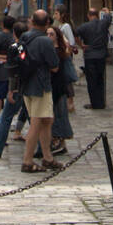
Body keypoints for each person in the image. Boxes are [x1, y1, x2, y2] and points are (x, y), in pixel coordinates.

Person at [19, 10, 61, 173]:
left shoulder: (25, 37)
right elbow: (54, 65)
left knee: (46, 120)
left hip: (27, 84)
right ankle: (27, 161)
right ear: (47, 24)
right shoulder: (45, 41)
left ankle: (47, 157)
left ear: (32, 21)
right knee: (36, 123)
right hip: (41, 85)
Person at [0, 20, 29, 159]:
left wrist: (12, 89)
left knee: (6, 116)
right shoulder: (26, 46)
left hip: (17, 86)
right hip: (28, 84)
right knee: (32, 117)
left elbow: (14, 67)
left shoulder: (15, 46)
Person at [76, 7, 113, 110]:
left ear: (88, 15)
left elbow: (75, 34)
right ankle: (101, 103)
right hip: (101, 56)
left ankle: (94, 103)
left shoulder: (84, 26)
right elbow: (108, 17)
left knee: (91, 81)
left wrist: (81, 45)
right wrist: (106, 11)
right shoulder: (103, 23)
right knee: (100, 80)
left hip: (89, 56)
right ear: (97, 15)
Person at [47, 24, 73, 155]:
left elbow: (56, 68)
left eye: (51, 34)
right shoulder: (50, 49)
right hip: (51, 86)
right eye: (47, 34)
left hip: (58, 86)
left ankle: (59, 141)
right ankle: (57, 141)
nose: (49, 36)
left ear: (57, 37)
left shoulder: (59, 51)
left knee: (59, 115)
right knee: (55, 114)